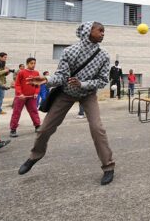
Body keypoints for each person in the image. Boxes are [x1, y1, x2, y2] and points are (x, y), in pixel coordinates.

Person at [18, 21, 115, 186]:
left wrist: (82, 84)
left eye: (104, 31)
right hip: (66, 94)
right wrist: (46, 79)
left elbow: (103, 81)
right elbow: (61, 76)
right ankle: (35, 156)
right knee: (44, 129)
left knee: (97, 129)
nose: (103, 33)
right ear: (87, 32)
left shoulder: (103, 55)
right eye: (100, 30)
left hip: (88, 94)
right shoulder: (70, 52)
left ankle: (108, 167)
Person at [9, 57, 41, 137]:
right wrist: (20, 93)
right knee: (16, 112)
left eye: (34, 63)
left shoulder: (36, 73)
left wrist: (36, 93)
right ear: (27, 63)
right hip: (21, 97)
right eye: (31, 63)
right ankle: (13, 129)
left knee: (34, 111)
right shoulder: (21, 72)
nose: (33, 65)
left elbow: (38, 84)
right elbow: (17, 84)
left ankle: (37, 126)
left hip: (32, 97)